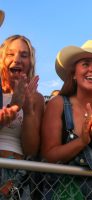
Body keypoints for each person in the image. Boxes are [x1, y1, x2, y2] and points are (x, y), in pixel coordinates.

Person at [41, 40, 92, 199]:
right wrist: (82, 141)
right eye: (85, 64)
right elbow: (49, 155)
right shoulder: (57, 104)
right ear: (73, 73)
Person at [0, 35, 45, 198]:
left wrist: (28, 111)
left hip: (16, 178)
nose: (17, 59)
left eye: (24, 55)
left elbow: (31, 150)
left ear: (30, 63)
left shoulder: (37, 98)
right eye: (10, 54)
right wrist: (13, 106)